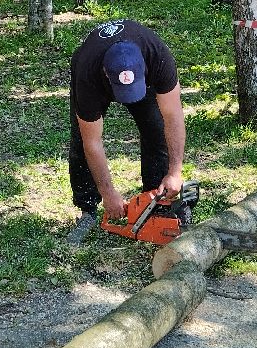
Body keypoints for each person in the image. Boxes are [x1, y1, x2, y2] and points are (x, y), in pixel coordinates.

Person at [68, 19, 188, 239]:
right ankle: (87, 209)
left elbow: (173, 117)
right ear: (105, 73)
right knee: (80, 141)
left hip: (144, 69)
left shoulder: (158, 56)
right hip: (90, 71)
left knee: (157, 129)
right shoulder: (88, 74)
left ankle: (157, 201)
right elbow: (92, 142)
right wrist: (108, 193)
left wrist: (175, 172)